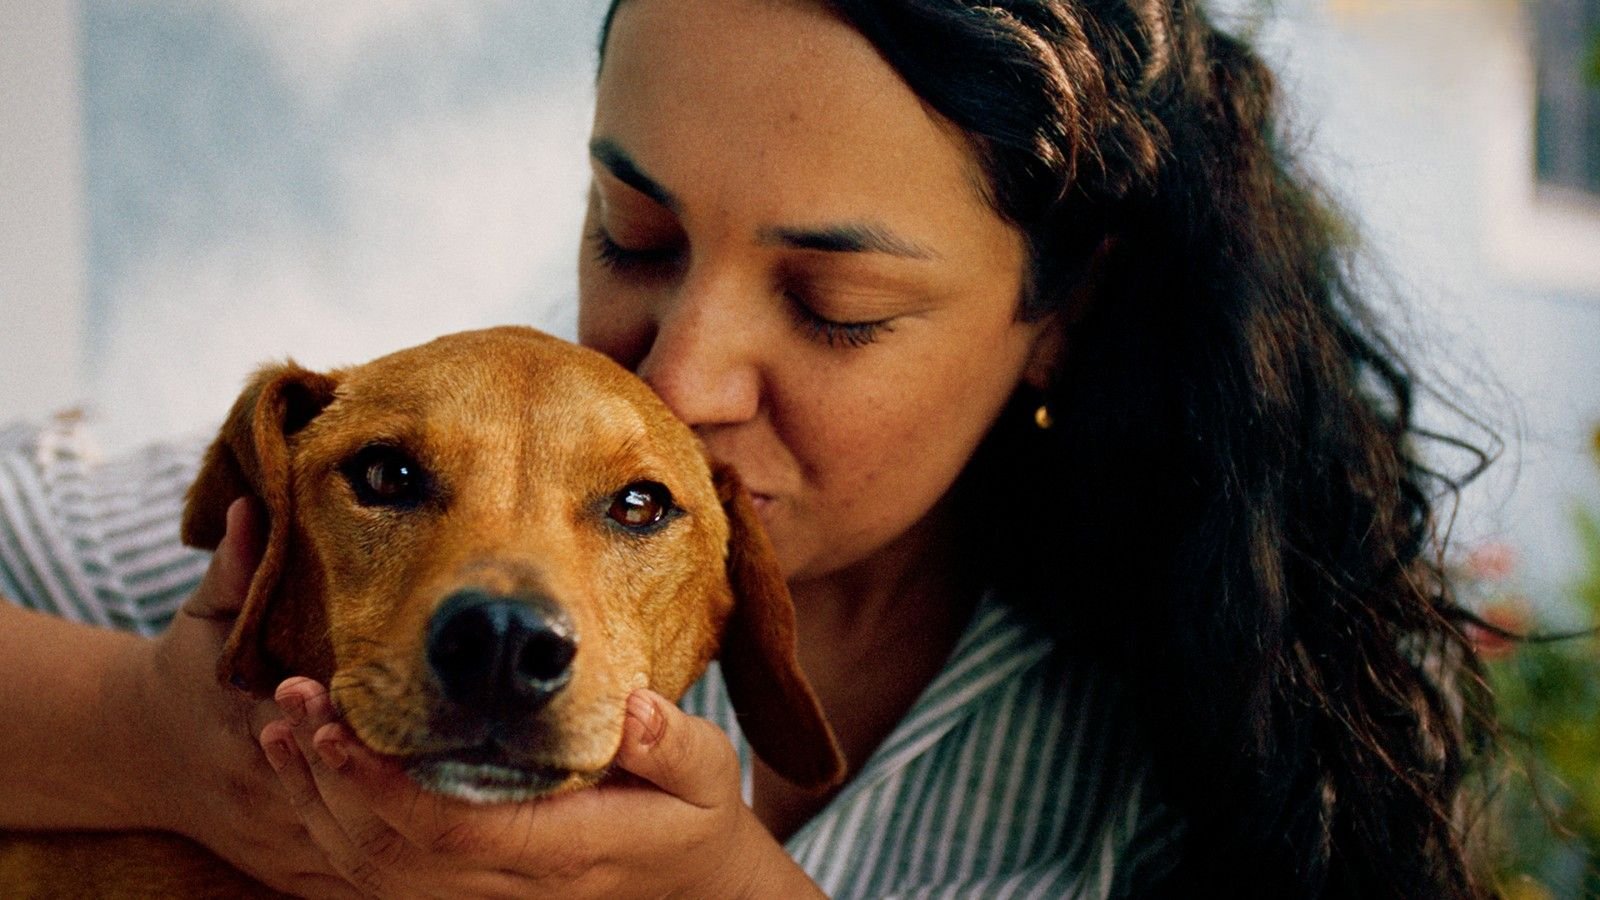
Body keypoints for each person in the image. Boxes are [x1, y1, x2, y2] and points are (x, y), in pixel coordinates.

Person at [0, 0, 1501, 896]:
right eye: (632, 236)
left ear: (1068, 306)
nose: (685, 374)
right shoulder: (327, 546)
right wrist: (155, 743)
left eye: (834, 305)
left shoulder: (1185, 772)